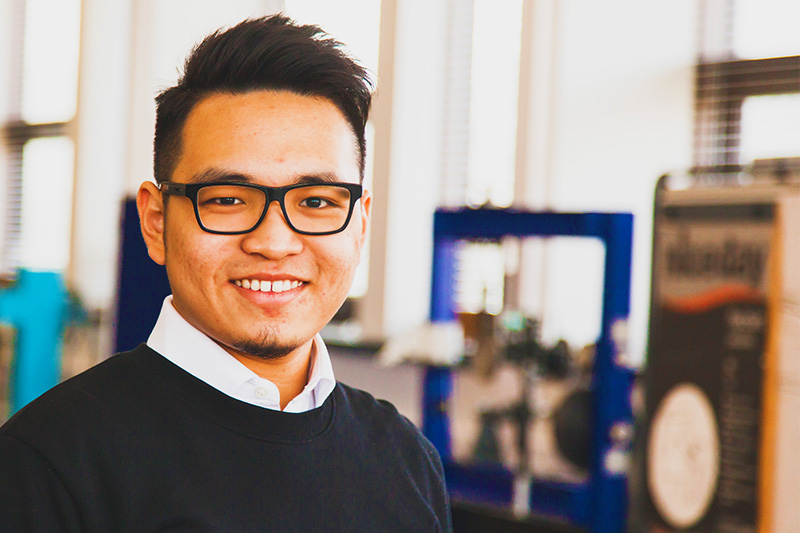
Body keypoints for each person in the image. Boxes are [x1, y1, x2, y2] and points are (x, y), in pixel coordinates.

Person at [0, 15, 451, 532]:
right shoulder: (49, 463)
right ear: (155, 222)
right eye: (230, 199)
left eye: (318, 201)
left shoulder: (406, 459)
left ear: (360, 223)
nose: (274, 242)